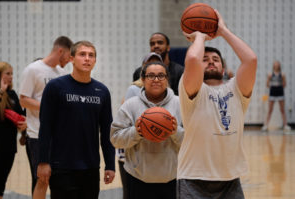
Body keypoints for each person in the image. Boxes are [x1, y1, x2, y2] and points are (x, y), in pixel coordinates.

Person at [177, 9, 257, 199]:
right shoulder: (191, 88)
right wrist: (200, 36)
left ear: (224, 68)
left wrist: (223, 31)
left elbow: (251, 60)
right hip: (193, 177)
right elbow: (193, 59)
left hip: (230, 179)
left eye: (216, 60)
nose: (211, 62)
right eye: (206, 60)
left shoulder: (236, 89)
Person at [37, 41, 115, 199]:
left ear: (95, 61)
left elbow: (107, 132)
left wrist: (110, 165)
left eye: (91, 55)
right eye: (82, 54)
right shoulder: (55, 87)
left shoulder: (102, 91)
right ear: (71, 59)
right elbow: (45, 127)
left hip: (91, 168)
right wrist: (43, 161)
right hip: (62, 166)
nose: (87, 59)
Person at [111, 61, 184, 199]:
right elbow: (115, 139)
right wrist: (136, 132)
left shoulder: (180, 105)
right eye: (151, 76)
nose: (156, 80)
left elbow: (193, 143)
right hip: (137, 179)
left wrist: (176, 131)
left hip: (172, 179)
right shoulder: (129, 105)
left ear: (167, 79)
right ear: (143, 79)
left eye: (161, 75)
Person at [19, 36, 73, 197]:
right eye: (68, 56)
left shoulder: (62, 73)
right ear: (60, 51)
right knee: (41, 179)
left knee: (59, 179)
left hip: (59, 136)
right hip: (37, 134)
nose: (69, 60)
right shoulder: (33, 69)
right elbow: (23, 99)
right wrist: (48, 108)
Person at [118, 52, 163, 199]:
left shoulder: (168, 92)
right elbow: (128, 121)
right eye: (149, 63)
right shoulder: (133, 89)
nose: (153, 66)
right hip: (136, 148)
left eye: (157, 62)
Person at [0, 62, 27, 199]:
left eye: (12, 74)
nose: (11, 77)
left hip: (8, 148)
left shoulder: (13, 94)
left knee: (0, 183)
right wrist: (0, 92)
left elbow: (21, 115)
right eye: (7, 74)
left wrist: (24, 126)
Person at [261, 61, 291, 131]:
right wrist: (272, 84)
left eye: (277, 64)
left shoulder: (282, 74)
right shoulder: (270, 74)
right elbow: (267, 84)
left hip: (280, 93)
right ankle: (266, 125)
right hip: (272, 93)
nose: (276, 66)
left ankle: (285, 125)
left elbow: (285, 84)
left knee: (282, 110)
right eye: (275, 64)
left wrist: (279, 85)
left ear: (279, 66)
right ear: (273, 66)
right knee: (270, 110)